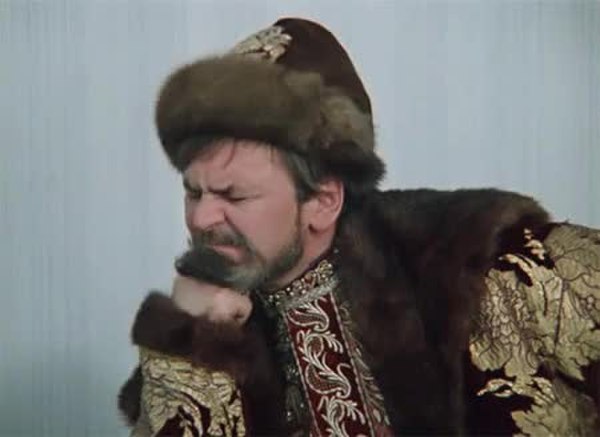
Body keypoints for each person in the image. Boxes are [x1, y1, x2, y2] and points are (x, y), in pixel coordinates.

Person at [118, 17, 600, 436]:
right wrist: (189, 339)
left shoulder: (485, 263)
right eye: (193, 191)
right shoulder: (213, 322)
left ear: (323, 201)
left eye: (234, 195)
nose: (200, 219)